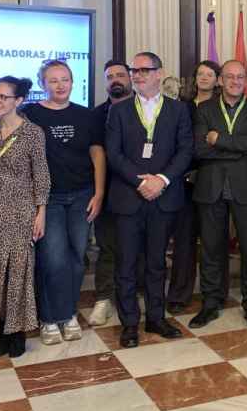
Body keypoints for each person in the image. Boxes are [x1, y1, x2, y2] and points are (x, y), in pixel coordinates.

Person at [105, 52, 193, 348]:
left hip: (164, 198)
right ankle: (129, 323)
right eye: (135, 70)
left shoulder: (178, 110)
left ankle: (156, 317)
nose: (138, 75)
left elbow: (185, 151)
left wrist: (162, 180)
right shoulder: (119, 110)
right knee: (127, 263)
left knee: (156, 262)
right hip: (129, 197)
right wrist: (141, 180)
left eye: (145, 70)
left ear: (159, 73)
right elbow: (113, 154)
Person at [23, 59, 105, 346]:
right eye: (53, 80)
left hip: (82, 195)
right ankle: (49, 318)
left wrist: (98, 193)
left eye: (65, 79)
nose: (60, 85)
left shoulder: (86, 116)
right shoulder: (29, 114)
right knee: (52, 260)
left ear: (73, 82)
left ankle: (68, 313)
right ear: (43, 84)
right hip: (49, 200)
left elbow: (97, 155)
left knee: (75, 260)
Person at [0, 77, 50, 358]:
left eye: (3, 97)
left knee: (18, 273)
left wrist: (41, 212)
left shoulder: (32, 132)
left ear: (18, 101)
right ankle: (2, 330)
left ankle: (18, 333)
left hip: (19, 210)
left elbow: (41, 174)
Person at [189, 60, 247, 330]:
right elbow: (199, 150)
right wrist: (238, 148)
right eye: (230, 77)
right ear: (220, 80)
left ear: (246, 81)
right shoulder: (204, 108)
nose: (235, 81)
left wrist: (219, 139)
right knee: (211, 248)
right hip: (211, 186)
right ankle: (211, 302)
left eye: (240, 77)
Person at [167, 60, 220, 315]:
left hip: (213, 177)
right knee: (184, 240)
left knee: (213, 240)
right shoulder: (181, 107)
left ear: (217, 79)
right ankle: (179, 294)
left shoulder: (223, 108)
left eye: (210, 74)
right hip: (183, 181)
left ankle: (216, 293)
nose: (204, 78)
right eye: (200, 73)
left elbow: (221, 144)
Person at [88, 60, 133, 326]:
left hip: (138, 189)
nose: (115, 79)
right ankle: (104, 299)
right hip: (107, 189)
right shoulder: (95, 115)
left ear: (129, 78)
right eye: (110, 76)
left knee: (138, 248)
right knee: (107, 247)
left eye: (120, 75)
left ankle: (132, 295)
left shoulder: (146, 108)